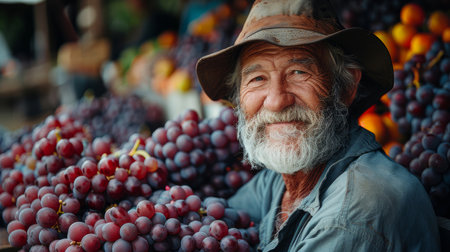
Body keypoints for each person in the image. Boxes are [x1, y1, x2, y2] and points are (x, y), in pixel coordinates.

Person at [195, 0, 441, 251]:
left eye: (298, 72)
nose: (277, 101)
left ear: (346, 87)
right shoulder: (282, 180)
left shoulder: (353, 215)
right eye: (258, 78)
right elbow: (214, 219)